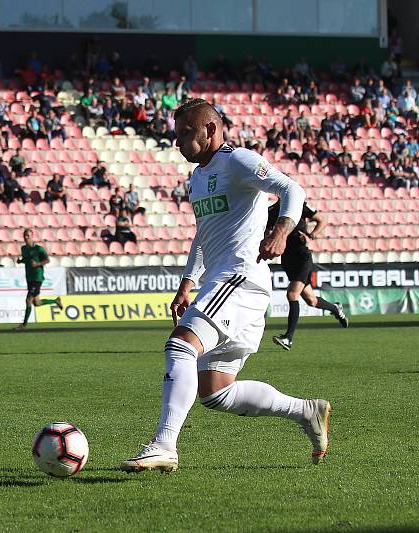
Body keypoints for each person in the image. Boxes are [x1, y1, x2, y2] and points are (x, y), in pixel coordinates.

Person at [120, 99, 330, 474]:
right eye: (177, 133)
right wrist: (187, 282)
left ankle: (164, 446)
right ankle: (305, 410)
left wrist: (282, 230)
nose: (179, 141)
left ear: (211, 129)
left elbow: (291, 188)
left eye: (187, 132)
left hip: (241, 276)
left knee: (181, 344)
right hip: (227, 282)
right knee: (216, 391)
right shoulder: (197, 178)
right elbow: (204, 235)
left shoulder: (238, 161)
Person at [267, 200, 348, 350]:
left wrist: (312, 235)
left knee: (292, 295)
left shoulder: (297, 204)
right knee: (311, 300)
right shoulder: (272, 210)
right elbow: (266, 231)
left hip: (302, 256)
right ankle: (335, 308)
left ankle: (288, 338)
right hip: (287, 258)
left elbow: (322, 220)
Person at [14, 229, 63, 331]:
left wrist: (37, 264)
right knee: (37, 303)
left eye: (28, 235)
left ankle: (24, 325)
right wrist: (20, 261)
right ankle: (55, 301)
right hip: (29, 277)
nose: (26, 237)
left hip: (37, 277)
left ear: (32, 236)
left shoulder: (38, 249)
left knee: (28, 300)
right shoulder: (23, 248)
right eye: (25, 235)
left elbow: (47, 260)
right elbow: (26, 259)